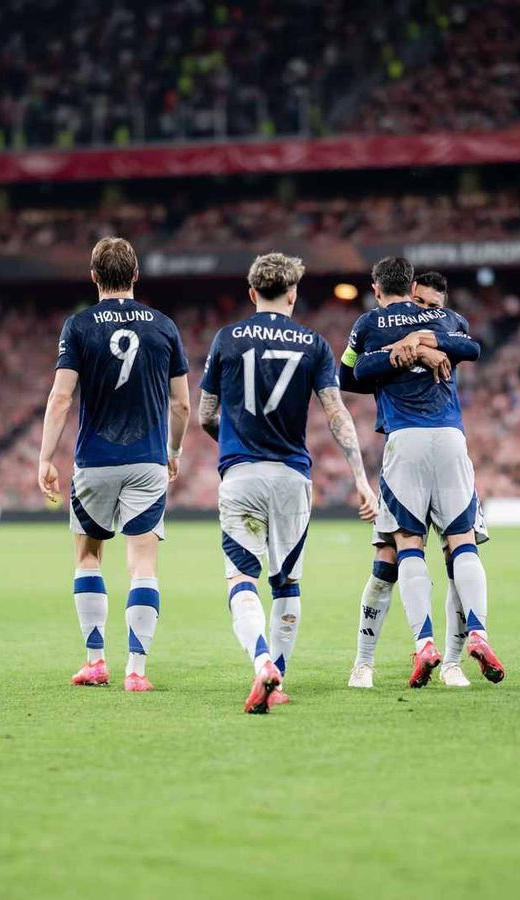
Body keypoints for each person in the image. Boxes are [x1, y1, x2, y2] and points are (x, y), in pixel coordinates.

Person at [198, 253, 377, 713]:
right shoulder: (313, 344)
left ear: (252, 292)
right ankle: (279, 673)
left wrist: (233, 438)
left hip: (240, 474)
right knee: (286, 583)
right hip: (291, 477)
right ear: (293, 293)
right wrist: (360, 478)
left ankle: (262, 664)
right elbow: (337, 413)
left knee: (241, 579)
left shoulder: (226, 339)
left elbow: (205, 415)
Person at [39, 236, 190, 692]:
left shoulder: (79, 326)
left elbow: (62, 396)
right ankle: (136, 671)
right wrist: (174, 453)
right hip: (146, 459)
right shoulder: (163, 325)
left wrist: (46, 457)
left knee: (88, 556)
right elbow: (181, 404)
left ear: (93, 277)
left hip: (95, 460)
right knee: (143, 566)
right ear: (136, 276)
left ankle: (95, 661)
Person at [349, 257, 501, 689]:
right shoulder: (447, 319)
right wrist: (426, 345)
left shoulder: (372, 323)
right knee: (462, 544)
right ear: (411, 285)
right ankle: (477, 632)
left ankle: (427, 645)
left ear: (377, 287)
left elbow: (354, 371)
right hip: (451, 440)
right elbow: (473, 347)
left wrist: (410, 347)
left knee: (405, 547)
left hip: (406, 441)